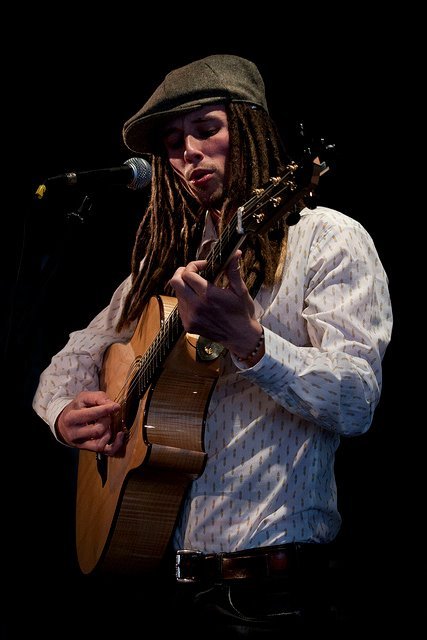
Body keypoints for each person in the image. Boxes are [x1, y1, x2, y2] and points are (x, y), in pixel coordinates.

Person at [32, 54, 392, 634]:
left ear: (248, 131)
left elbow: (357, 403)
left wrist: (252, 343)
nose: (189, 153)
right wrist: (61, 413)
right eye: (174, 143)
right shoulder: (163, 265)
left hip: (275, 595)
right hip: (163, 587)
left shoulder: (329, 238)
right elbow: (67, 364)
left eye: (206, 129)